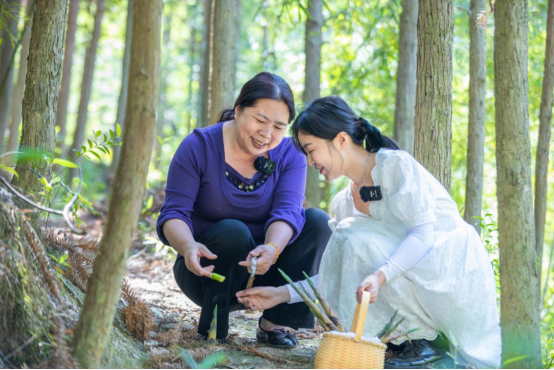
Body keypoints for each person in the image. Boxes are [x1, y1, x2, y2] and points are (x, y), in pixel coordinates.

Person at [237, 96, 501, 369]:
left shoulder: (395, 166)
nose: (310, 161)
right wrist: (281, 294)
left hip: (451, 273)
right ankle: (402, 341)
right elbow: (335, 270)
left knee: (354, 236)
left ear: (341, 140)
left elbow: (423, 234)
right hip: (418, 281)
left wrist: (379, 275)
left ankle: (431, 343)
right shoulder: (345, 202)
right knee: (349, 238)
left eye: (311, 149)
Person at [156, 72, 332, 349]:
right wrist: (188, 245)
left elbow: (287, 212)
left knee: (318, 221)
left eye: (278, 126)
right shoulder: (198, 146)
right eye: (260, 120)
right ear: (238, 110)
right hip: (206, 270)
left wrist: (272, 248)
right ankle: (214, 328)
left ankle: (276, 323)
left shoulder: (289, 154)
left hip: (264, 269)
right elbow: (173, 213)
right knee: (232, 231)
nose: (267, 133)